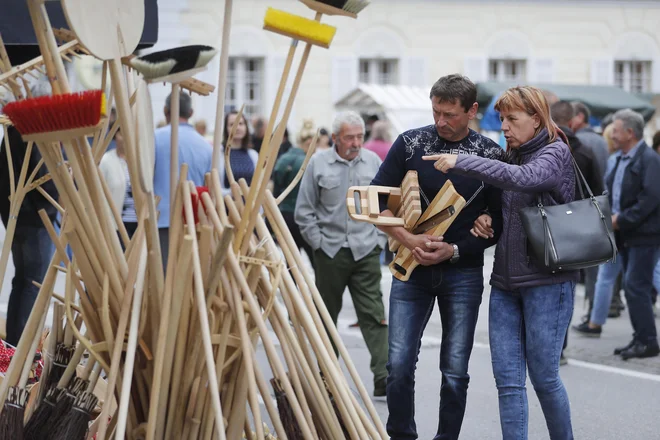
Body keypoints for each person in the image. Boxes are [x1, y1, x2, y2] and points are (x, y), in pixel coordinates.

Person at [424, 85, 577, 439]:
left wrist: (463, 161)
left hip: (547, 282)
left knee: (544, 377)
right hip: (506, 283)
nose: (504, 126)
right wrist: (489, 219)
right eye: (502, 118)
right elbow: (505, 200)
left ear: (536, 119)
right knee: (508, 383)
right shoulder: (513, 154)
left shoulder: (554, 152)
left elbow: (525, 180)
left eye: (512, 119)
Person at [372, 74, 504, 440]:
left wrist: (460, 246)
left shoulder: (491, 154)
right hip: (409, 267)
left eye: (450, 115)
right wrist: (408, 239)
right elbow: (374, 201)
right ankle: (401, 435)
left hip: (462, 273)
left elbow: (502, 223)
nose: (441, 122)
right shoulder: (411, 143)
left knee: (455, 370)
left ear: (472, 111)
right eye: (436, 112)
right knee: (397, 364)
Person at [295, 110, 389, 398]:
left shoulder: (373, 162)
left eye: (360, 136)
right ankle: (327, 376)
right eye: (349, 137)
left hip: (366, 250)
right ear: (335, 138)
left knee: (374, 314)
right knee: (326, 315)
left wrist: (380, 240)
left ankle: (384, 376)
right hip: (331, 252)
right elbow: (304, 212)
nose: (356, 143)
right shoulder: (317, 164)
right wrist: (319, 244)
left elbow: (386, 204)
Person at [574, 109, 660, 359]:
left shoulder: (649, 160)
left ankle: (647, 340)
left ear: (630, 133)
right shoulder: (621, 158)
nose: (612, 134)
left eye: (617, 129)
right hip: (625, 235)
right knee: (631, 286)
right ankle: (641, 337)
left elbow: (650, 199)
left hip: (643, 235)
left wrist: (621, 220)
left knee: (635, 286)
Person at [0, 81, 58, 345]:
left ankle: (13, 344)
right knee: (32, 282)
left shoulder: (12, 128)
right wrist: (56, 197)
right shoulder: (32, 128)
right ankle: (21, 347)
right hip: (35, 217)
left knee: (22, 280)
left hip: (16, 215)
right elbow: (42, 177)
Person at [550, 101, 604, 363]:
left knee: (543, 286)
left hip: (547, 225)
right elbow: (597, 190)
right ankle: (560, 346)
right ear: (573, 122)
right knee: (566, 288)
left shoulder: (544, 150)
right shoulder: (585, 151)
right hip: (578, 228)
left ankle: (547, 346)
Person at [153, 91, 213, 267]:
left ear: (165, 110)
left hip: (161, 219)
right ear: (191, 113)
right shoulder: (206, 146)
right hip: (194, 223)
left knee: (161, 280)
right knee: (190, 281)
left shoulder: (154, 138)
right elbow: (212, 189)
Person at [273, 119, 316, 264]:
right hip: (304, 217)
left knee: (291, 262)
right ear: (309, 142)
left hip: (285, 214)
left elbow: (276, 186)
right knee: (315, 262)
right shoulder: (309, 162)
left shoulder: (283, 158)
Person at [99, 126, 138, 239]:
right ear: (115, 136)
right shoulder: (106, 161)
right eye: (121, 134)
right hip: (116, 224)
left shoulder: (139, 161)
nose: (125, 138)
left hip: (137, 223)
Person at [217, 111, 259, 196]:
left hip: (249, 205)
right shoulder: (219, 155)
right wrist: (230, 193)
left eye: (241, 123)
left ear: (246, 127)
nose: (237, 127)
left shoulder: (253, 155)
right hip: (226, 205)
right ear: (226, 128)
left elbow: (258, 184)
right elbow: (214, 188)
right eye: (232, 124)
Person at [570, 101, 608, 176]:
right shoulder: (601, 140)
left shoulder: (576, 141)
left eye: (570, 117)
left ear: (580, 117)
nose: (568, 121)